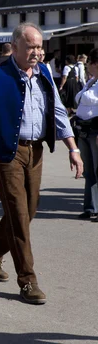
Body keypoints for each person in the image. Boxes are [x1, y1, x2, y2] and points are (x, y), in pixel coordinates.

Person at [0, 22, 83, 305]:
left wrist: (73, 148)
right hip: (7, 152)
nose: (37, 52)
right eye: (31, 46)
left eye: (40, 46)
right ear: (15, 46)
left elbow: (57, 110)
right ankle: (28, 280)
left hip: (36, 152)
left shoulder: (44, 72)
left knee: (28, 211)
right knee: (19, 215)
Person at [75, 48, 98, 220]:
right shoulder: (91, 82)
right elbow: (79, 99)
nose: (87, 65)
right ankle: (90, 207)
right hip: (84, 130)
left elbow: (86, 99)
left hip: (96, 129)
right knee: (88, 171)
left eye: (89, 62)